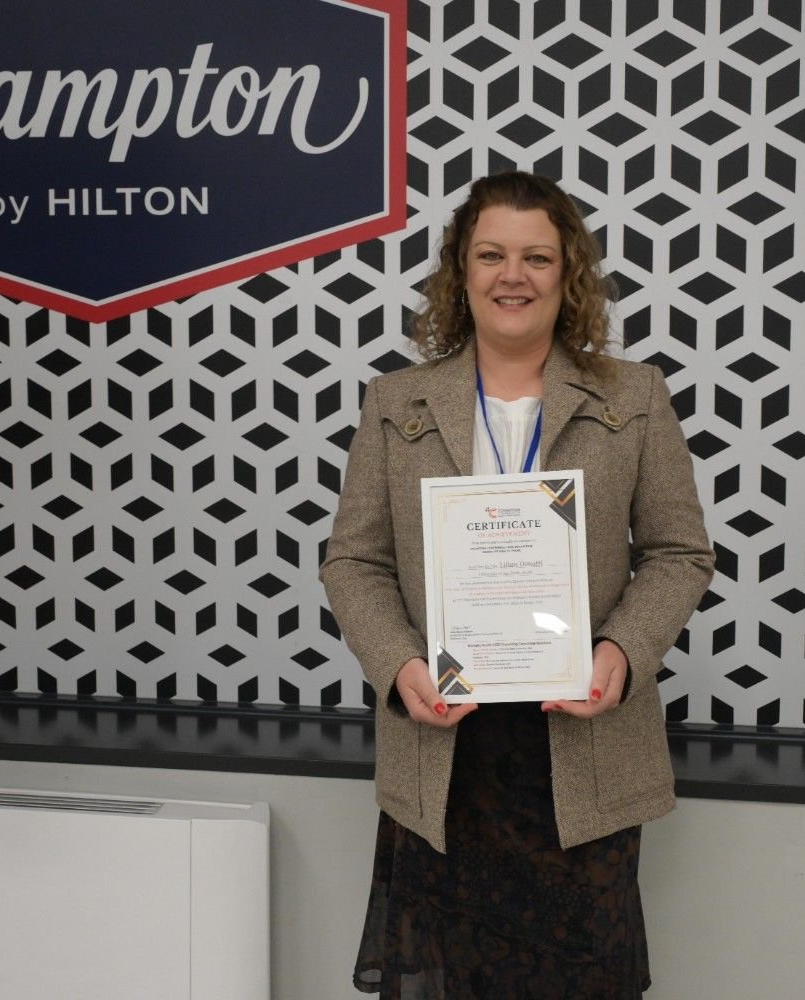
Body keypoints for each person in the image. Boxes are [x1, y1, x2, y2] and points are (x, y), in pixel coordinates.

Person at [320, 171, 715, 999]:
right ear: (460, 272)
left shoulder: (634, 396)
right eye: (491, 255)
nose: (513, 276)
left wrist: (621, 652)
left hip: (582, 751)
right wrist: (399, 665)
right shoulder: (396, 402)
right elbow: (354, 562)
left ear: (567, 273)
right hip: (446, 753)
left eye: (537, 257)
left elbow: (680, 552)